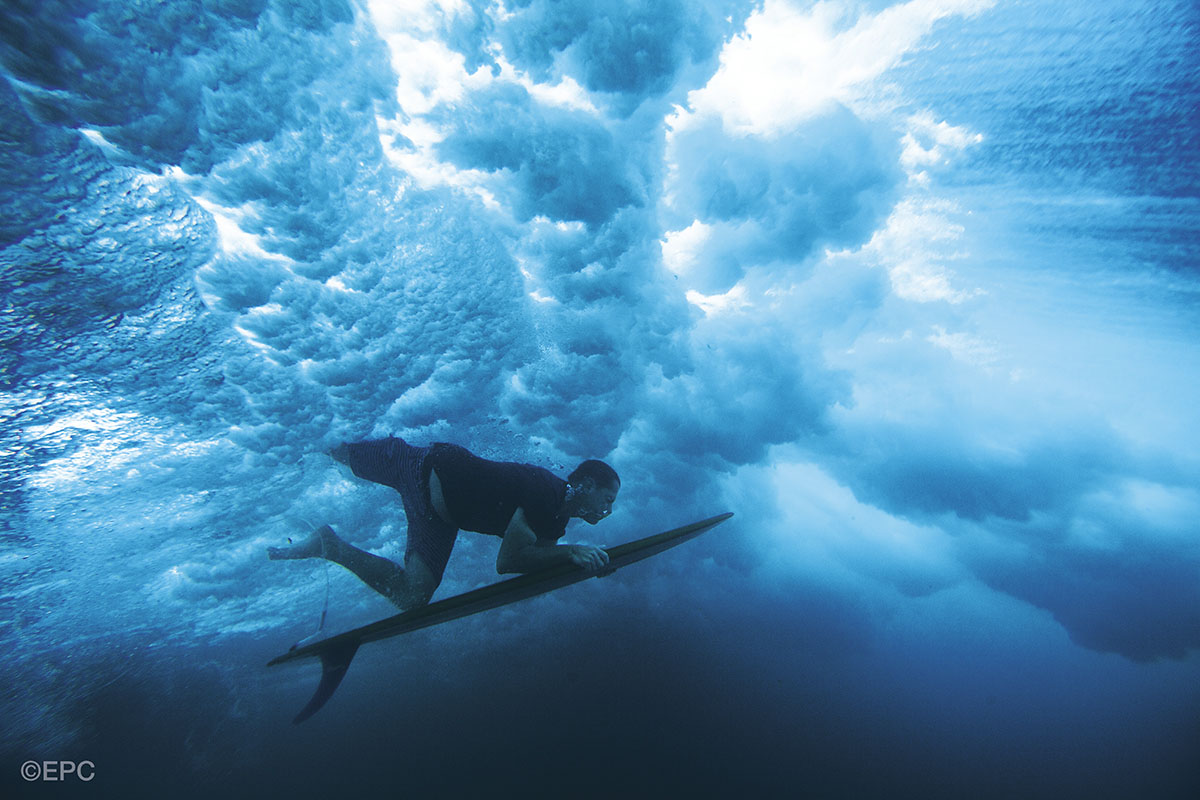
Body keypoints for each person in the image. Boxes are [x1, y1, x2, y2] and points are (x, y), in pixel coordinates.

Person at [269, 436, 619, 610]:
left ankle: (329, 546)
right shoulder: (547, 494)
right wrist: (572, 552)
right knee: (333, 449)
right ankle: (290, 444)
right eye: (607, 499)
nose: (608, 510)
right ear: (586, 485)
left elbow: (536, 563)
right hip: (415, 464)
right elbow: (509, 561)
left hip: (436, 515)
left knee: (413, 597)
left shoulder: (555, 524)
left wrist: (583, 564)